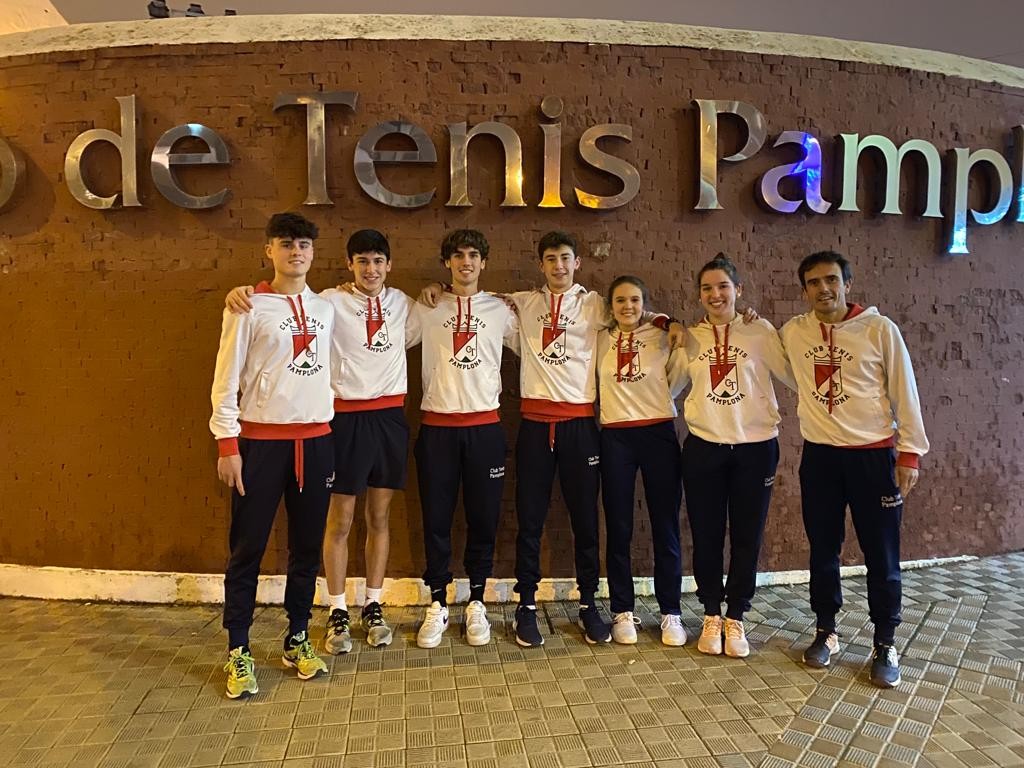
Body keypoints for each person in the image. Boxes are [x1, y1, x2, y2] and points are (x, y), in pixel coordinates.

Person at [420, 232, 683, 647]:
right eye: (550, 259)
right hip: (535, 426)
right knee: (530, 519)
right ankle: (526, 605)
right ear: (540, 265)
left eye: (565, 258)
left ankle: (588, 606)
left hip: (581, 427)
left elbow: (635, 313)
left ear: (577, 263)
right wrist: (436, 289)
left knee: (584, 521)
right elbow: (477, 301)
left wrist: (668, 321)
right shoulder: (522, 303)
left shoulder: (596, 304)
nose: (558, 266)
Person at [225, 230, 421, 654]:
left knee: (380, 517)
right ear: (349, 264)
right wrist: (245, 291)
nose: (371, 269)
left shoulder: (403, 304)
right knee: (340, 519)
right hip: (342, 420)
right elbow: (283, 298)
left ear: (389, 265)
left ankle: (373, 603)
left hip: (389, 418)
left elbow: (432, 318)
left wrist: (437, 289)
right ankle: (336, 609)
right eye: (362, 261)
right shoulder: (328, 301)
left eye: (378, 261)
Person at [780, 250, 929, 688]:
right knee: (822, 549)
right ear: (803, 289)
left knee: (881, 554)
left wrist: (909, 454)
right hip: (821, 458)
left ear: (847, 283)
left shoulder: (880, 330)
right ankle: (826, 630)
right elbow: (781, 365)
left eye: (831, 280)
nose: (823, 289)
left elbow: (905, 390)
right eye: (813, 282)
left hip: (874, 458)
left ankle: (885, 641)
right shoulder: (794, 332)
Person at [210, 212, 335, 699]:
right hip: (259, 444)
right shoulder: (247, 306)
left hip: (316, 442)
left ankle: (297, 637)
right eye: (286, 244)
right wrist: (227, 442)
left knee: (307, 550)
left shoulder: (325, 308)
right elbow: (226, 377)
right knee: (247, 550)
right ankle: (238, 648)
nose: (296, 252)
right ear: (270, 250)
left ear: (313, 252)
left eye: (304, 244)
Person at [680, 255, 795, 658]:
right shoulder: (690, 337)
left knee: (748, 535)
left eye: (723, 287)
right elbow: (668, 384)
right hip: (704, 447)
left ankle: (737, 615)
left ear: (738, 290)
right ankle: (711, 612)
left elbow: (794, 376)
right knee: (707, 534)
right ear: (699, 295)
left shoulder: (760, 332)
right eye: (707, 288)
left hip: (755, 448)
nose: (716, 295)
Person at [414, 229, 520, 649]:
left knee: (483, 519)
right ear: (446, 263)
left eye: (474, 255)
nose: (466, 262)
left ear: (484, 262)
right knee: (436, 521)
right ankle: (437, 602)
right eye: (457, 255)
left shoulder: (500, 310)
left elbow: (541, 336)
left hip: (485, 429)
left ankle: (477, 600)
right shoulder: (427, 307)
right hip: (437, 429)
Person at [596, 275, 689, 646]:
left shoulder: (664, 335)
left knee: (665, 524)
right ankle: (621, 610)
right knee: (618, 525)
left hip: (657, 432)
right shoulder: (601, 338)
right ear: (611, 306)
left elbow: (678, 378)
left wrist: (666, 320)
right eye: (620, 300)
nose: (627, 307)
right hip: (615, 435)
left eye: (634, 300)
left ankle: (671, 612)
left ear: (645, 303)